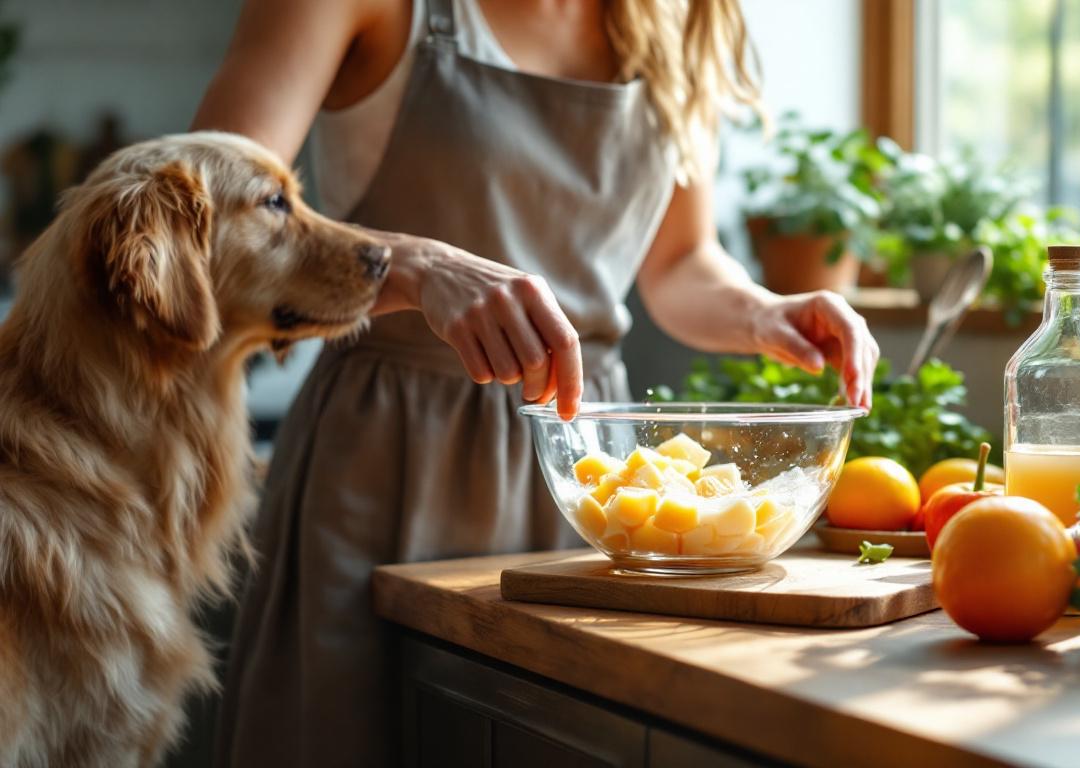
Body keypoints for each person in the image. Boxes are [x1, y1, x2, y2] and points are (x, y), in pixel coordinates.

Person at [193, 0, 880, 764]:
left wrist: (761, 312)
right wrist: (420, 267)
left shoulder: (678, 19)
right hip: (385, 461)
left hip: (585, 482)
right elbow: (211, 215)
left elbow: (679, 261)